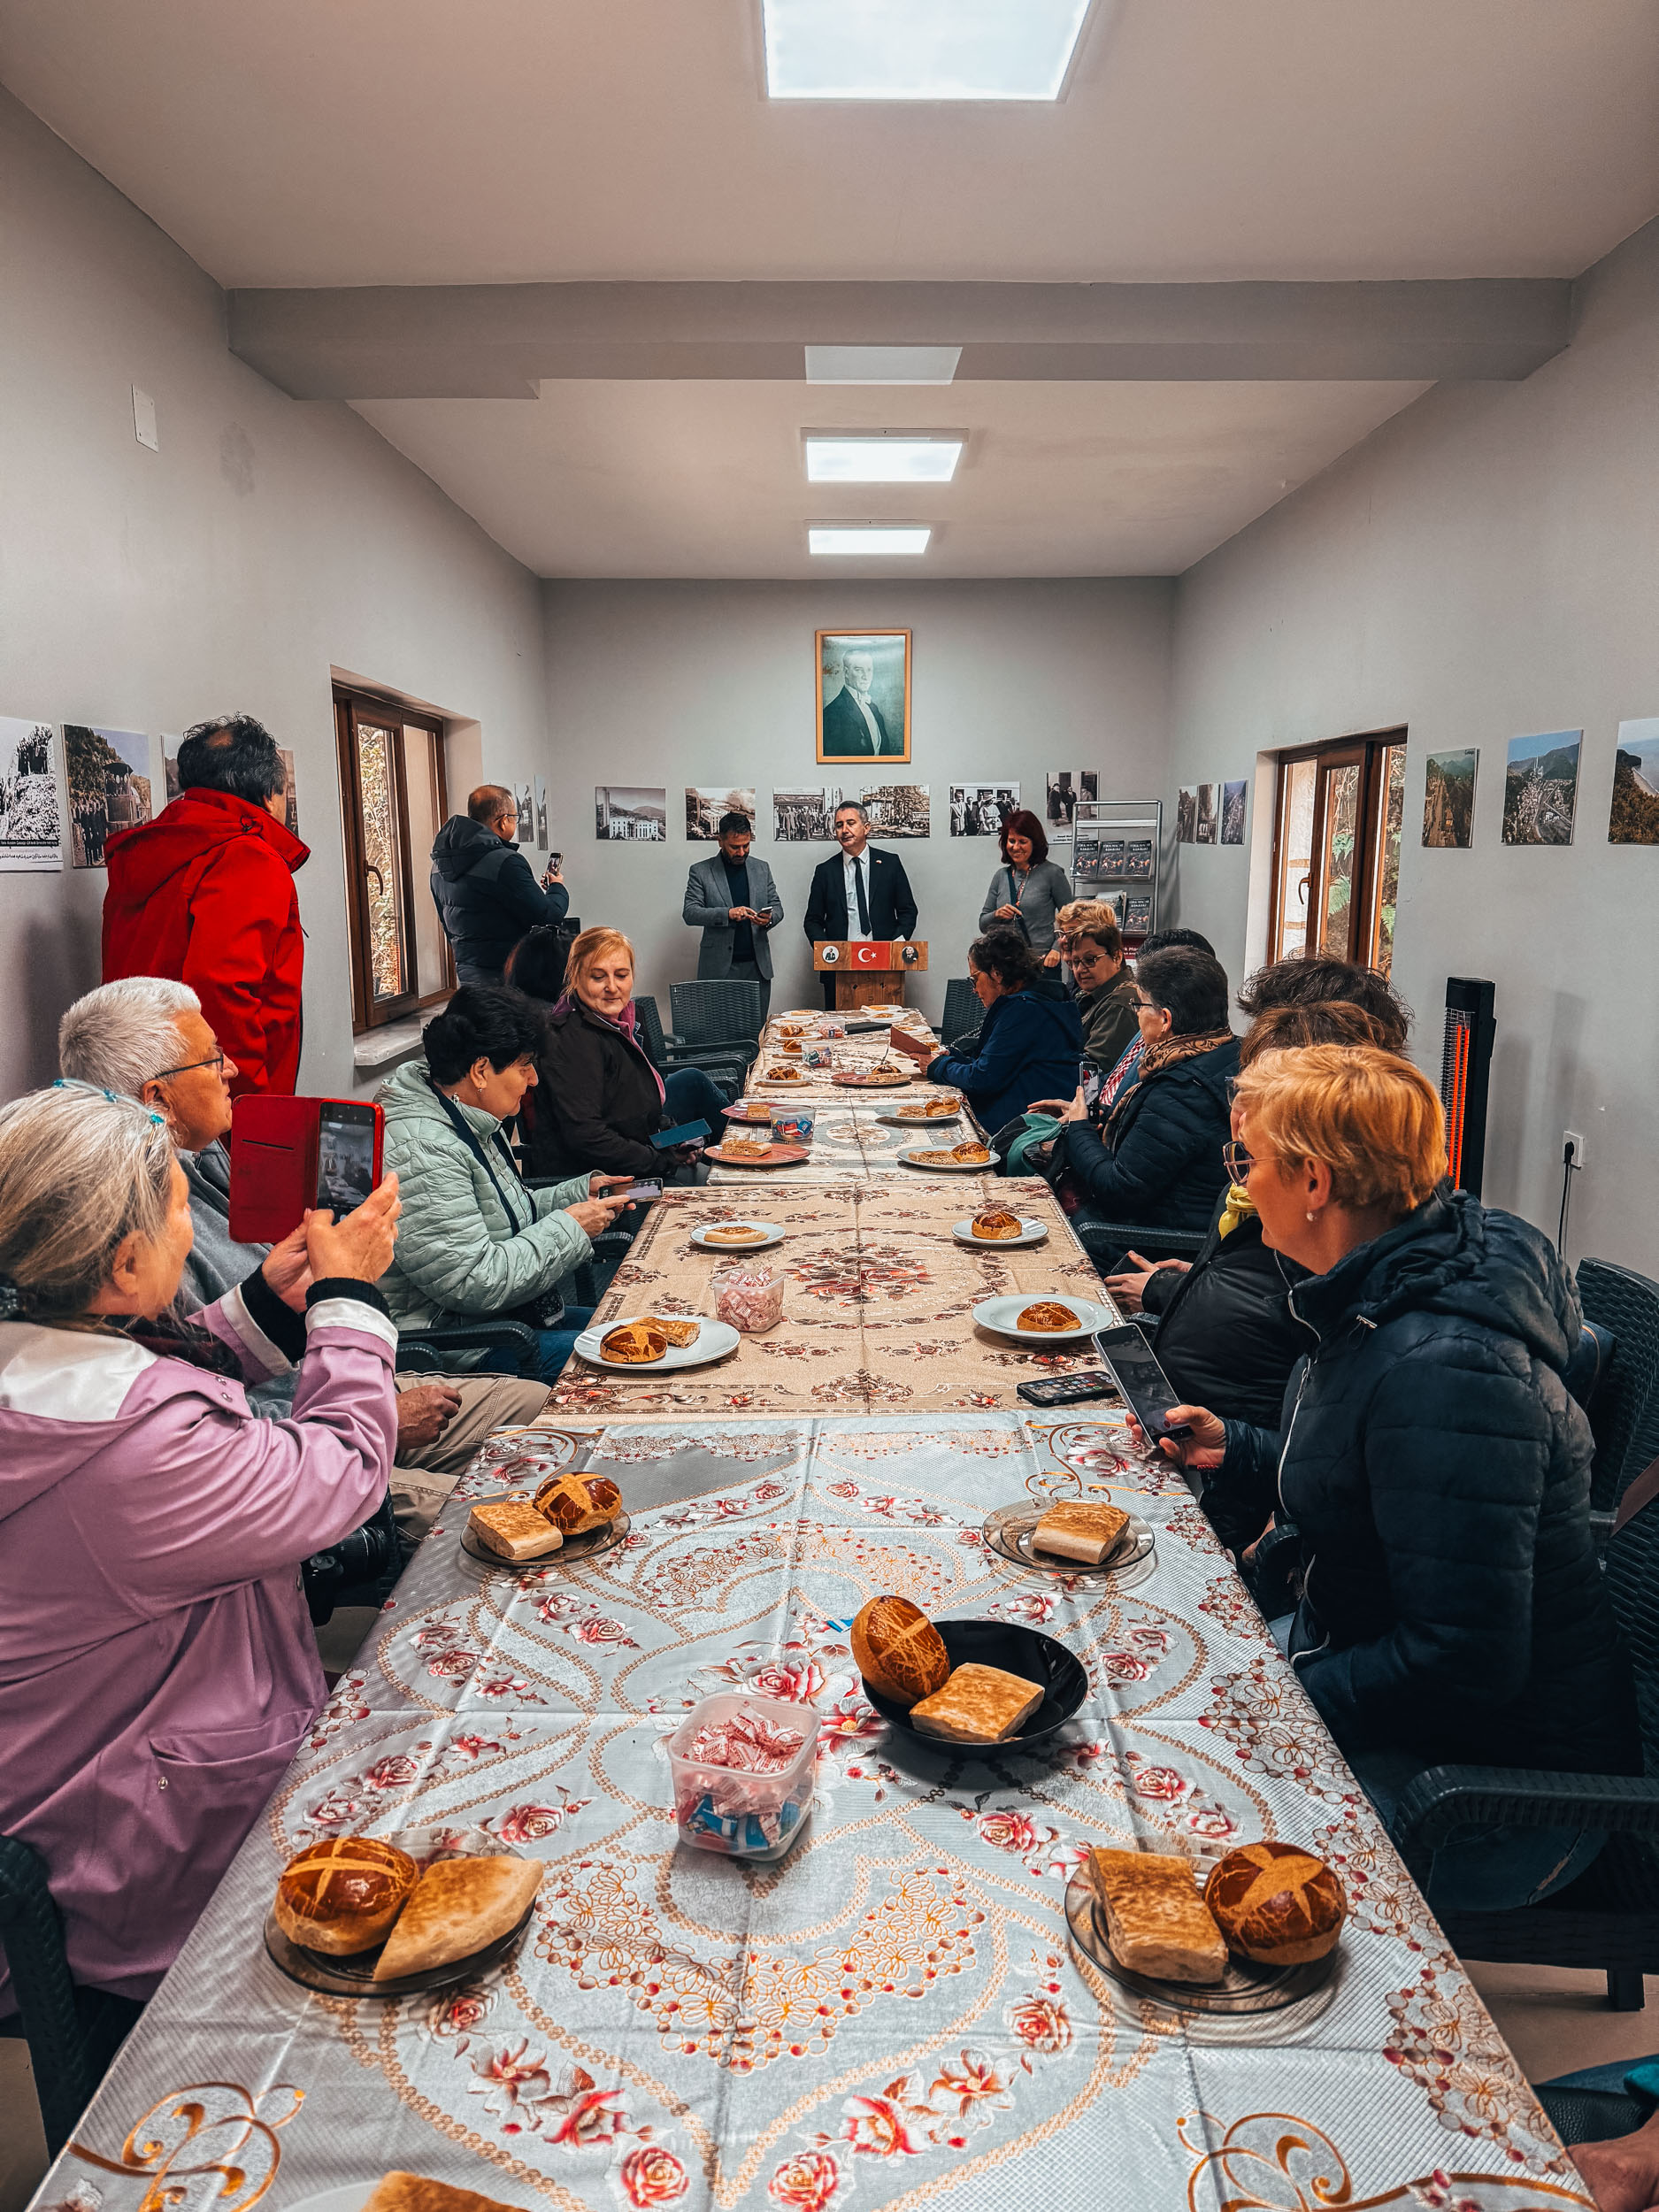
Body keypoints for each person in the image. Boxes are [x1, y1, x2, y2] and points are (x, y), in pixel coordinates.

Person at [1144, 1044, 1640, 1912]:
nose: (1240, 1183)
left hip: (1492, 1802)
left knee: (1164, 1820)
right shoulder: (1387, 1290)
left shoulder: (1449, 1366)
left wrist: (1280, 1703)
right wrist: (1242, 1446)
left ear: (1314, 1181)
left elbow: (1463, 1659)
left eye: (1248, 1161)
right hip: (1390, 1693)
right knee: (1154, 1681)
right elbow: (1385, 1478)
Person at [0, 1081, 402, 2008]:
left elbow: (141, 1371)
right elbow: (344, 1472)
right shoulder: (136, 1458)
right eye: (181, 1213)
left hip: (63, 1775)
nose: (192, 1236)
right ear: (124, 1265)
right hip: (137, 1862)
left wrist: (268, 1303)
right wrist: (346, 1300)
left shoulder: (38, 1369)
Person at [58, 977, 554, 1545]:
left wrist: (290, 1290)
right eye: (213, 1058)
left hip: (336, 1387)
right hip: (294, 1443)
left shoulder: (206, 1156)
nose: (232, 1069)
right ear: (157, 1100)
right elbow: (204, 1429)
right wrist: (357, 1330)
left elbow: (219, 1349)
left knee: (548, 1412)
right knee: (508, 1517)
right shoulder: (141, 1233)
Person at [1108, 1001, 1402, 1429]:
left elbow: (1310, 1446)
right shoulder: (1265, 1203)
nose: (1239, 1118)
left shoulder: (1335, 1255)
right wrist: (1197, 1280)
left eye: (1261, 1097)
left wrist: (1168, 1290)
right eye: (1241, 1089)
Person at [377, 988, 636, 1382]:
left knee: (640, 1327)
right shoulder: (423, 1149)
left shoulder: (466, 1112)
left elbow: (501, 1214)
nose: (533, 1079)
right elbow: (473, 1281)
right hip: (461, 1347)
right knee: (630, 1361)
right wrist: (571, 1227)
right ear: (481, 1070)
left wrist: (577, 1195)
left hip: (503, 1320)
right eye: (525, 1065)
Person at [101, 714, 307, 1095]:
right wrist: (245, 1102)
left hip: (140, 1081)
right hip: (215, 1098)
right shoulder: (248, 858)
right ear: (268, 795)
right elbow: (222, 993)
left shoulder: (150, 851)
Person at [1046, 945, 1238, 1233]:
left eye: (1140, 1006)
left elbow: (1118, 1191)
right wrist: (1089, 1115)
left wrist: (1079, 1127)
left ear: (1165, 1020)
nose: (1137, 1015)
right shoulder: (1229, 1053)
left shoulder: (1179, 1093)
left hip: (1148, 1240)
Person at [527, 927, 727, 1179]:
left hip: (639, 1160)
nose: (612, 987)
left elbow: (643, 1113)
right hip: (607, 1184)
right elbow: (587, 1137)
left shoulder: (627, 1020)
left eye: (621, 975)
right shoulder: (570, 1039)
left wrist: (675, 1142)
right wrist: (663, 1162)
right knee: (725, 1189)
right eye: (598, 977)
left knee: (731, 1174)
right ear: (576, 979)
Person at [890, 926, 1083, 1133]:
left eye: (974, 979)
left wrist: (938, 1067)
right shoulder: (1032, 1003)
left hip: (1027, 1124)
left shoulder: (1025, 1010)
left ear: (996, 973)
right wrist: (953, 1058)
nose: (973, 989)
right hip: (1028, 1111)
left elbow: (982, 1079)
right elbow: (997, 1066)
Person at [430, 786, 568, 986]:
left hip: (468, 974)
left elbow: (447, 924)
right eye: (515, 817)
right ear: (503, 821)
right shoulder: (505, 862)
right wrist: (557, 887)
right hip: (509, 974)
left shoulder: (439, 865)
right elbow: (549, 917)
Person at [803, 801, 919, 1011]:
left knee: (883, 1027)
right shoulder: (825, 871)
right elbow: (812, 921)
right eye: (839, 825)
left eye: (850, 823)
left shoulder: (890, 864)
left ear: (866, 828)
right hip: (839, 969)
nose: (844, 830)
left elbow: (908, 911)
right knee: (841, 1029)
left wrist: (895, 947)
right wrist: (828, 951)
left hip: (884, 966)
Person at [682, 812, 783, 1020]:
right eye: (735, 847)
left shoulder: (762, 868)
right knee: (720, 1031)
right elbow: (690, 913)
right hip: (719, 970)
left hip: (758, 969)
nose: (741, 852)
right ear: (720, 841)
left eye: (746, 845)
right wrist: (727, 914)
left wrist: (769, 919)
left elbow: (777, 907)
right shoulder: (701, 871)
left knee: (756, 1032)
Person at [978, 809, 1072, 954]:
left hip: (1041, 960)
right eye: (1011, 841)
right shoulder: (1001, 876)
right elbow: (983, 924)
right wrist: (997, 914)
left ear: (1035, 843)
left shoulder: (1053, 873)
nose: (1016, 847)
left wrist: (1056, 949)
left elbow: (1071, 920)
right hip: (1005, 960)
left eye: (1023, 842)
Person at [820, 647, 901, 758]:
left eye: (869, 670)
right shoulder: (831, 713)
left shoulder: (874, 708)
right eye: (858, 670)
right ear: (846, 673)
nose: (866, 677)